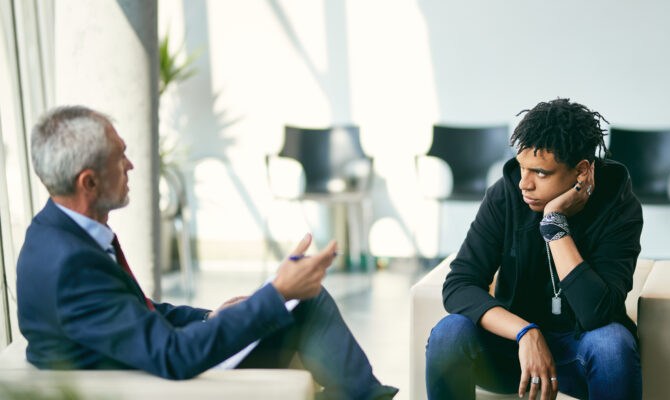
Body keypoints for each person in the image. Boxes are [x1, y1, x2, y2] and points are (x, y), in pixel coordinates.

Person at [16, 105, 397, 400]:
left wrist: (209, 316)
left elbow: (138, 313)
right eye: (120, 156)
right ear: (90, 181)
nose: (131, 165)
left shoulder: (57, 234)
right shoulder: (70, 266)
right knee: (304, 304)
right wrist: (277, 293)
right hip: (164, 385)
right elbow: (173, 355)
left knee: (303, 306)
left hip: (144, 367)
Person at [425, 99, 643, 400]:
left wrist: (554, 225)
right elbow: (459, 285)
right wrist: (525, 332)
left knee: (612, 344)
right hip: (514, 353)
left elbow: (597, 314)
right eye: (522, 167)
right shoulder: (505, 194)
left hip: (578, 355)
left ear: (581, 171)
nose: (524, 184)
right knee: (449, 333)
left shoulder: (617, 204)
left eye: (540, 173)